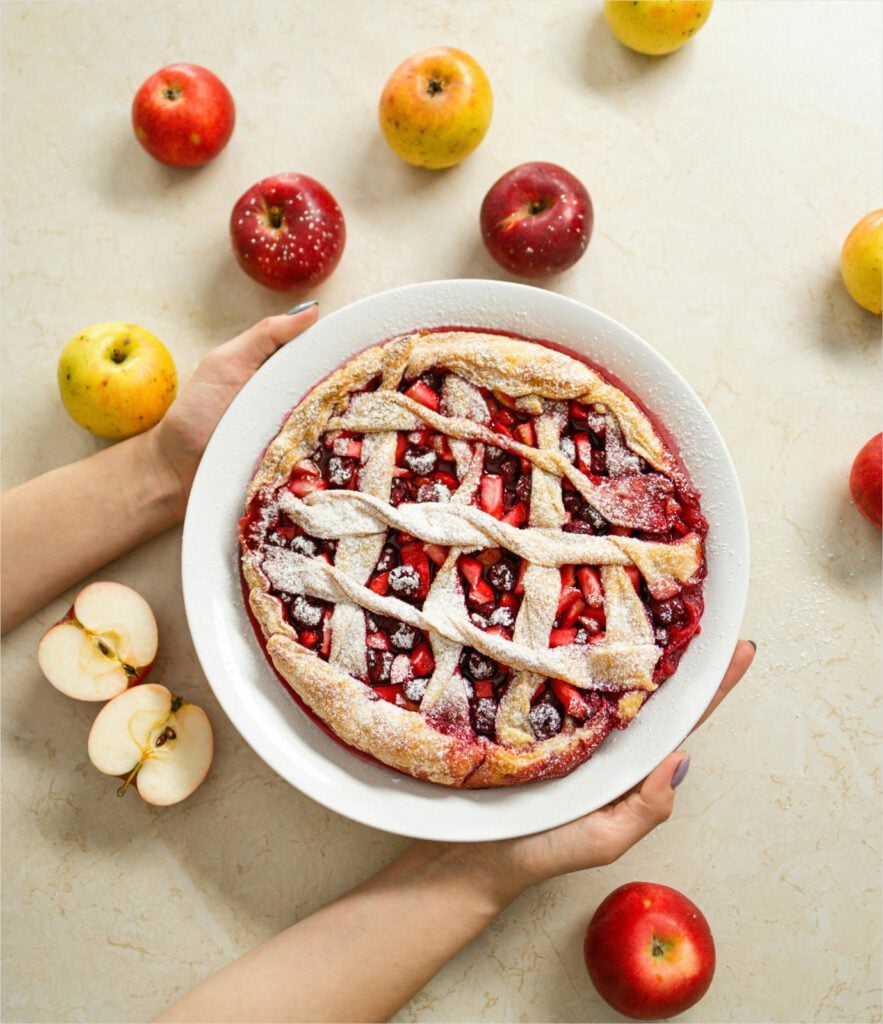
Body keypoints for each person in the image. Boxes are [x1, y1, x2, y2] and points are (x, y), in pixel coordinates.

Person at [1, 304, 755, 1023]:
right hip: (348, 557)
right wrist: (478, 872)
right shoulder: (375, 428)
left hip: (560, 585)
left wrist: (170, 472)